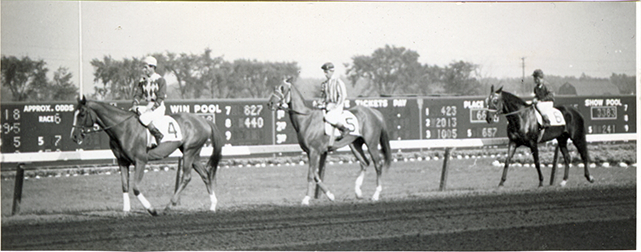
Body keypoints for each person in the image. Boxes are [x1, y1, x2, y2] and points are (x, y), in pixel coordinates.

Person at [131, 56, 167, 145]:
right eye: (143, 67)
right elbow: (138, 94)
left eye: (146, 67)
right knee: (131, 113)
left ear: (152, 67)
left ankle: (157, 136)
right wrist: (135, 104)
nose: (144, 70)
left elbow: (161, 97)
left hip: (158, 107)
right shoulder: (142, 80)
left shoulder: (160, 80)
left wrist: (153, 108)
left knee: (144, 117)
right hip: (148, 105)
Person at [317, 62, 349, 146]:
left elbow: (343, 95)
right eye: (324, 72)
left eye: (326, 72)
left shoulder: (338, 82)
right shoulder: (324, 84)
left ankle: (344, 129)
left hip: (337, 105)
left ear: (331, 71)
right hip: (327, 105)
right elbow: (322, 97)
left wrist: (335, 106)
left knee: (329, 117)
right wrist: (320, 103)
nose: (325, 74)